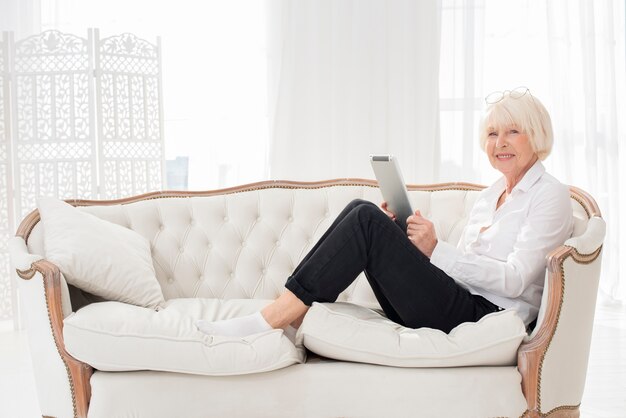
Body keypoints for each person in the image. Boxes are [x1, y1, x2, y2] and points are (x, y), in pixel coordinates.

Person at [196, 87, 573, 338]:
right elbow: (467, 266)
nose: (500, 143)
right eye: (492, 134)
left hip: (485, 317)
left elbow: (515, 281)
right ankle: (287, 309)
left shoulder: (549, 195)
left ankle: (270, 319)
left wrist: (436, 249)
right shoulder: (490, 196)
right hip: (458, 299)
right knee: (366, 212)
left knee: (365, 221)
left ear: (536, 135)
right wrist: (412, 236)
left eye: (513, 132)